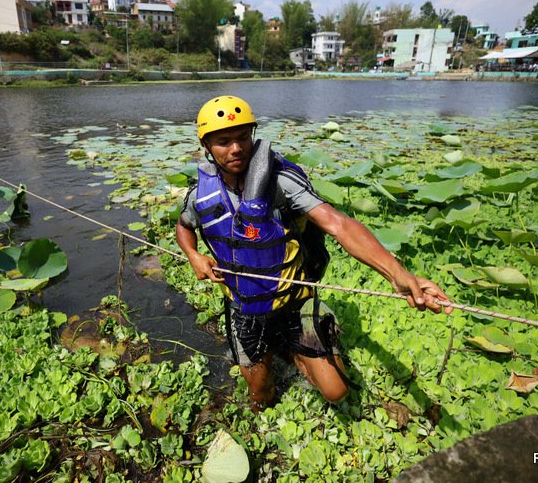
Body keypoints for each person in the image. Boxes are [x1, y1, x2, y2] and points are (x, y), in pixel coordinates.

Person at [176, 96, 453, 412]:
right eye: (224, 142)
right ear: (206, 146)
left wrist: (397, 274)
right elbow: (184, 226)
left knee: (336, 391)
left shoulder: (281, 181)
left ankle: (302, 345)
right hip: (246, 308)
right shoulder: (201, 194)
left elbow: (339, 224)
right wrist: (193, 255)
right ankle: (279, 352)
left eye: (242, 137)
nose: (236, 149)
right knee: (260, 395)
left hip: (295, 300)